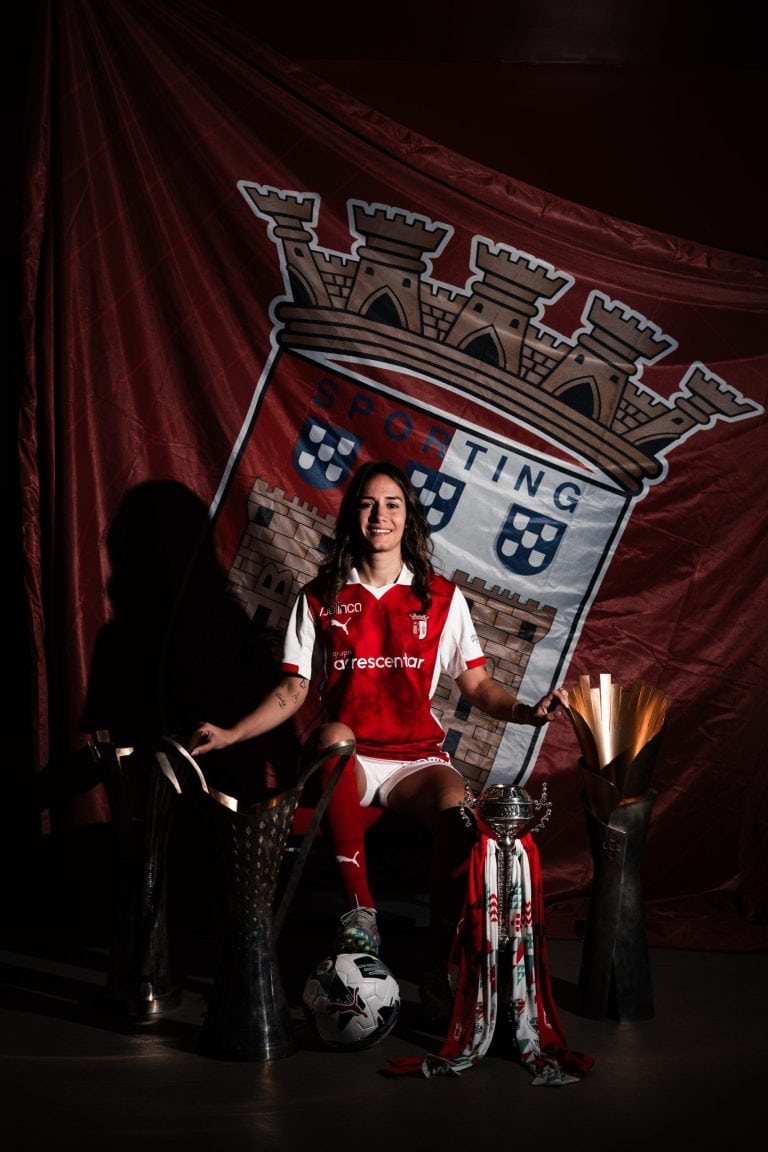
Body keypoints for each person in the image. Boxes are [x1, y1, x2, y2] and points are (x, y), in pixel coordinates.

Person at [189, 460, 567, 1027]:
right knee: (334, 735)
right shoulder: (321, 596)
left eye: (392, 504)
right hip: (348, 760)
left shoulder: (440, 597)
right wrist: (231, 733)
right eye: (368, 503)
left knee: (459, 811)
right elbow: (293, 690)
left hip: (416, 760)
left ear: (408, 516)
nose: (380, 515)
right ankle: (361, 912)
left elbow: (478, 686)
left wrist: (525, 711)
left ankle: (436, 972)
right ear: (352, 515)